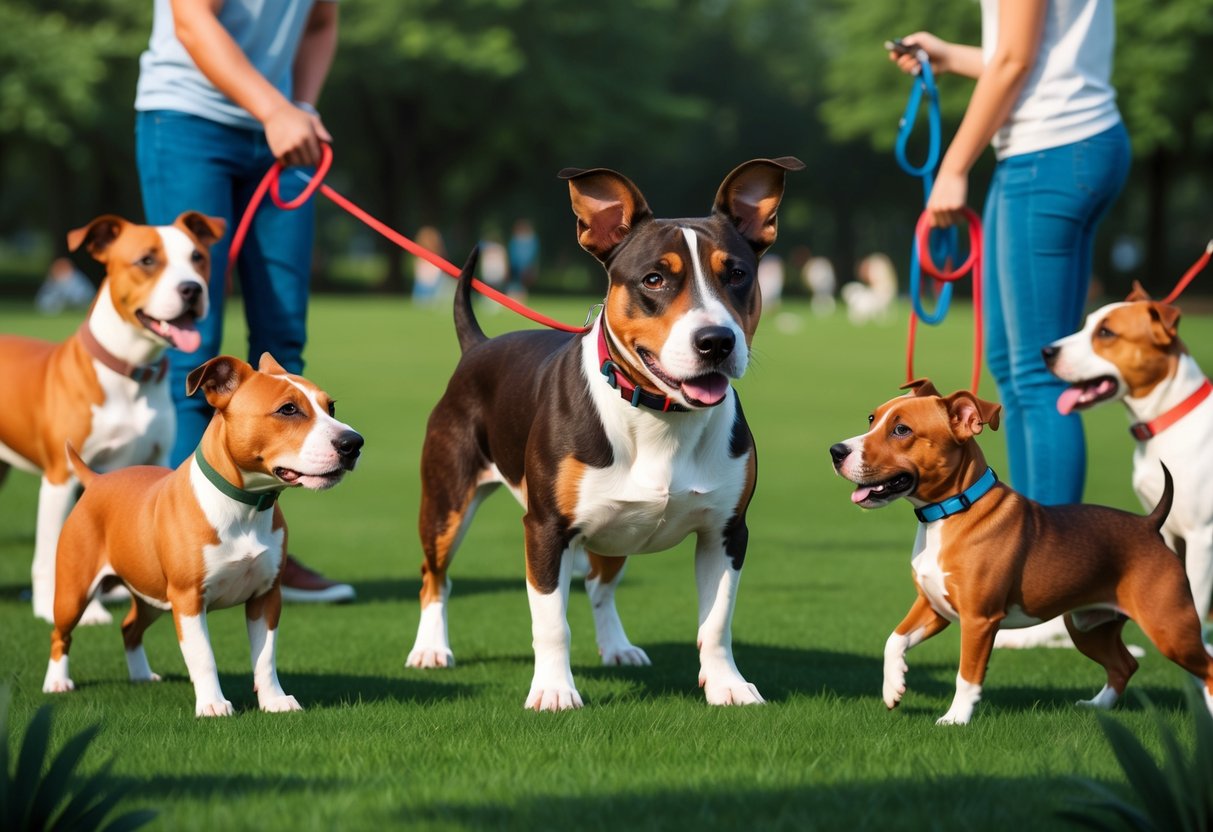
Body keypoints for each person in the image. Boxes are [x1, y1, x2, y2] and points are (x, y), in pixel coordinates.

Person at [891, 0, 1130, 646]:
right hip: (1063, 144)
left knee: (1034, 374)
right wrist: (947, 55)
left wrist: (954, 165)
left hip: (1050, 151)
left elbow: (1017, 61)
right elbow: (1029, 56)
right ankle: (1031, 575)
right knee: (1016, 368)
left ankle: (1046, 589)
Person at [135, 0, 354, 603]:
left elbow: (320, 21)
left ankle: (263, 549)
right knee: (193, 350)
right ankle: (167, 547)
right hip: (186, 120)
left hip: (281, 131)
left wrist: (301, 104)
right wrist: (274, 107)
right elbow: (192, 20)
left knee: (281, 351)